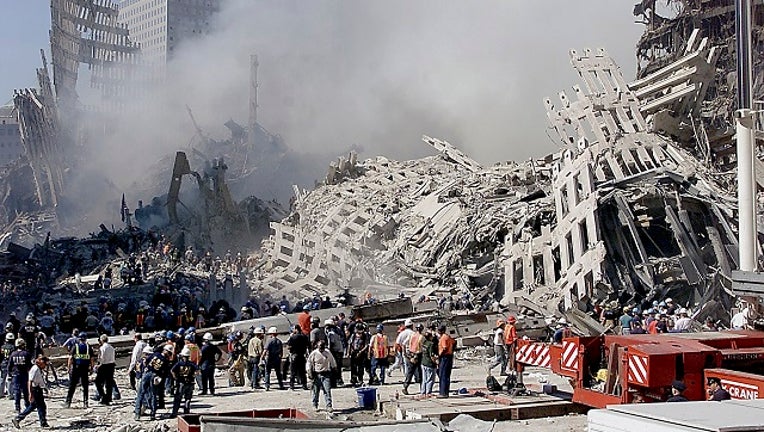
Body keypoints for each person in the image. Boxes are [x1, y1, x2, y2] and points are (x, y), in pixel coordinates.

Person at [11, 355, 49, 428]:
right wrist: (30, 394)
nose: (45, 366)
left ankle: (43, 422)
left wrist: (44, 388)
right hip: (35, 390)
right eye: (45, 364)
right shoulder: (35, 369)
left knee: (37, 406)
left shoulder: (39, 369)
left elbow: (40, 380)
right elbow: (30, 382)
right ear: (41, 363)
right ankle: (18, 418)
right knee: (39, 407)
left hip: (38, 389)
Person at [65, 332, 94, 408]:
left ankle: (68, 402)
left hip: (76, 368)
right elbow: (92, 359)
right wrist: (91, 368)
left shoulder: (75, 347)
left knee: (72, 386)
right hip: (85, 368)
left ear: (79, 339)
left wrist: (68, 368)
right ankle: (85, 402)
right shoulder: (88, 347)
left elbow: (70, 358)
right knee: (85, 386)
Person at [306, 340, 337, 412]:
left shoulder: (327, 352)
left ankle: (329, 406)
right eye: (320, 347)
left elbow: (332, 360)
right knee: (316, 391)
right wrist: (309, 372)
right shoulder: (314, 353)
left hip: (326, 374)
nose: (321, 349)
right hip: (317, 374)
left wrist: (334, 367)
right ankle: (315, 405)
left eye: (322, 348)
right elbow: (309, 363)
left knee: (327, 390)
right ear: (317, 346)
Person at [170, 347, 197, 417]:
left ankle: (174, 413)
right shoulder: (192, 364)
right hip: (190, 383)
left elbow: (172, 370)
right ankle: (186, 413)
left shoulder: (179, 364)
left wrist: (176, 378)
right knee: (187, 399)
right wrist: (193, 376)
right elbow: (198, 371)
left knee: (177, 399)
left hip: (181, 383)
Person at [8, 338, 32, 413]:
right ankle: (27, 405)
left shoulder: (13, 354)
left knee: (17, 391)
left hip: (15, 374)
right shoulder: (26, 354)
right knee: (25, 390)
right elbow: (30, 365)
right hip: (24, 374)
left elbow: (9, 365)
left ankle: (17, 407)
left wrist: (10, 374)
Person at [134, 345, 155, 420]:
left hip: (139, 379)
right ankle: (152, 413)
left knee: (140, 396)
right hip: (146, 379)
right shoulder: (149, 361)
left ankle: (137, 413)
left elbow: (136, 370)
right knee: (151, 396)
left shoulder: (139, 361)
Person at [94, 334, 116, 405]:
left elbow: (101, 359)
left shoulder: (102, 348)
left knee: (97, 382)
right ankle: (109, 398)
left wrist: (98, 366)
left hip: (104, 366)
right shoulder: (111, 347)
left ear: (101, 340)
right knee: (109, 382)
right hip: (111, 365)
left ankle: (103, 396)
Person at [402, 323, 424, 395]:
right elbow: (423, 347)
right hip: (418, 355)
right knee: (420, 372)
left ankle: (405, 387)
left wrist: (405, 353)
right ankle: (422, 389)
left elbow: (404, 344)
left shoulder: (412, 335)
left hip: (411, 354)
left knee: (410, 372)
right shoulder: (421, 337)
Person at [286, 325, 310, 390]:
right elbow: (308, 345)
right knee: (302, 371)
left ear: (296, 329)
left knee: (293, 371)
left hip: (294, 355)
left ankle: (292, 385)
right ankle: (304, 385)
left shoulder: (293, 337)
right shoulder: (304, 337)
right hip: (302, 355)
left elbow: (288, 346)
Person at [437, 324, 455, 398]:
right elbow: (454, 342)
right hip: (449, 356)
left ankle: (443, 393)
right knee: (446, 375)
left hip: (445, 357)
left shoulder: (444, 338)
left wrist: (440, 355)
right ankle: (445, 392)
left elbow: (444, 348)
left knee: (443, 375)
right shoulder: (448, 337)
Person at [420, 327, 438, 395]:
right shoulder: (431, 344)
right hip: (429, 364)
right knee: (430, 379)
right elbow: (432, 355)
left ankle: (423, 392)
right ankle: (428, 392)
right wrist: (436, 362)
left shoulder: (424, 343)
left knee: (424, 379)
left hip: (423, 362)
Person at [1, 332, 16, 398]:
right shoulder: (13, 348)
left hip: (3, 363)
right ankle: (10, 394)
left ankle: (1, 393)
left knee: (2, 379)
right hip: (11, 364)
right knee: (10, 379)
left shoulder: (2, 347)